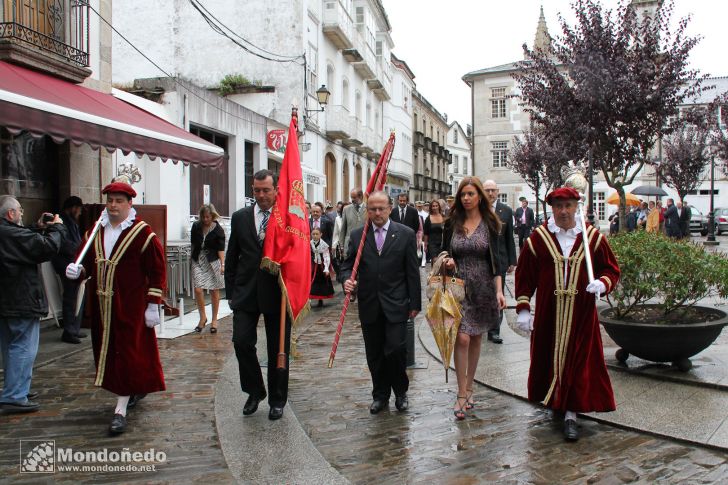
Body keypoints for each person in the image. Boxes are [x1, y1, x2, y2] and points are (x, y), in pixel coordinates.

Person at [514, 187, 621, 442]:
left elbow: (611, 269)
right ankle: (556, 399)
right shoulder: (538, 239)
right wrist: (524, 309)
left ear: (576, 207)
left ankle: (571, 411)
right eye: (559, 206)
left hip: (580, 313)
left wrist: (603, 283)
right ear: (552, 209)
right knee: (550, 356)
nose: (564, 211)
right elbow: (525, 276)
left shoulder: (592, 238)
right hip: (550, 312)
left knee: (578, 359)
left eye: (568, 206)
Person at [65, 179, 166, 435]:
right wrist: (77, 270)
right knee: (112, 355)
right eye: (110, 201)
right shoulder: (95, 232)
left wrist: (152, 304)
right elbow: (86, 263)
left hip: (130, 307)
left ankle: (120, 410)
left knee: (127, 354)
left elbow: (156, 271)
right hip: (102, 308)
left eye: (119, 201)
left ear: (129, 204)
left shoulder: (143, 233)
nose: (113, 205)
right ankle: (134, 388)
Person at [341, 191, 421, 415]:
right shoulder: (359, 235)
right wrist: (347, 280)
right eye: (373, 209)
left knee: (395, 350)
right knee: (374, 353)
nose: (377, 213)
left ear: (390, 208)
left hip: (396, 303)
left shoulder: (405, 234)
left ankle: (401, 392)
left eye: (381, 208)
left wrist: (414, 303)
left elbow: (412, 272)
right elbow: (348, 265)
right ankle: (380, 394)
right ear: (368, 210)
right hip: (369, 304)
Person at [225, 169, 290, 421]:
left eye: (266, 190)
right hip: (245, 291)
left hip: (277, 292)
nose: (261, 195)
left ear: (276, 191)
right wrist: (230, 292)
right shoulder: (240, 217)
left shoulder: (286, 218)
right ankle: (255, 390)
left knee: (278, 348)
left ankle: (277, 399)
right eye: (257, 190)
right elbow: (232, 256)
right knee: (241, 341)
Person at [441, 177, 506, 420]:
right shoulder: (452, 222)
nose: (466, 198)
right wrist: (447, 259)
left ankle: (470, 387)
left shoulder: (491, 224)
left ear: (479, 196)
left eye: (470, 194)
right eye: (463, 195)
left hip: (484, 287)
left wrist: (499, 291)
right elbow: (442, 250)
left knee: (476, 337)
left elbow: (497, 261)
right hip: (458, 287)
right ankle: (460, 392)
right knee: (463, 337)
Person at [0, 196, 66, 413]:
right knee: (23, 346)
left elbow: (23, 238)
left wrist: (37, 227)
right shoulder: (11, 234)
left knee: (11, 346)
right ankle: (14, 395)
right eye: (19, 210)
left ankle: (15, 389)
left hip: (8, 301)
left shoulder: (7, 232)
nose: (21, 213)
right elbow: (46, 247)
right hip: (21, 299)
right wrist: (57, 228)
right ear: (10, 214)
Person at [483, 180, 517, 344]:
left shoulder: (506, 210)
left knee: (498, 294)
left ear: (498, 191)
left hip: (500, 259)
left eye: (493, 190)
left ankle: (494, 330)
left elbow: (509, 237)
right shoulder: (477, 209)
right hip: (481, 260)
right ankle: (481, 324)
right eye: (487, 190)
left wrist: (512, 260)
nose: (490, 194)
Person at [51, 196, 88, 344]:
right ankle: (69, 330)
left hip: (72, 262)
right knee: (70, 297)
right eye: (78, 209)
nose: (79, 213)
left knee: (77, 296)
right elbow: (64, 244)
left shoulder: (70, 222)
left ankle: (74, 328)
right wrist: (80, 250)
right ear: (74, 208)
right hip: (66, 263)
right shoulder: (62, 221)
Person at [190, 204, 226, 333]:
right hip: (198, 259)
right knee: (198, 289)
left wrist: (222, 265)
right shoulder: (196, 226)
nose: (205, 219)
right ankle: (202, 317)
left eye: (208, 217)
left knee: (214, 290)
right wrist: (192, 260)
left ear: (212, 216)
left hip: (213, 261)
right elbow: (193, 243)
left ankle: (214, 320)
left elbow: (221, 249)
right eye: (203, 217)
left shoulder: (218, 230)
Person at [309, 228, 334, 306]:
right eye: (313, 234)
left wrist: (326, 268)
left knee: (321, 281)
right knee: (310, 281)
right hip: (312, 264)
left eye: (317, 234)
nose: (315, 236)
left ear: (321, 235)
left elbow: (326, 257)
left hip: (321, 265)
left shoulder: (324, 245)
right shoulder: (309, 244)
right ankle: (308, 299)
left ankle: (320, 299)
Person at [339, 188, 366, 259]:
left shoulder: (368, 209)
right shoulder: (346, 209)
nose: (352, 200)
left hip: (364, 245)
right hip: (349, 245)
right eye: (351, 197)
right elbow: (343, 229)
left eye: (354, 197)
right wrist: (341, 246)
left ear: (361, 196)